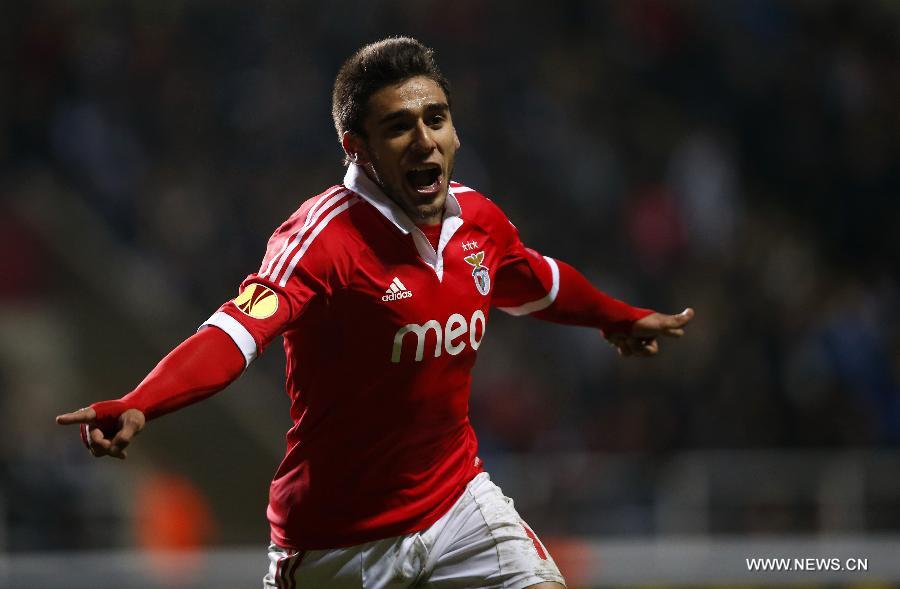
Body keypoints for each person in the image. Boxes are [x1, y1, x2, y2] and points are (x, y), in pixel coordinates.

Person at [57, 37, 694, 589]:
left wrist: (616, 316)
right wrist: (144, 399)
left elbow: (537, 280)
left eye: (436, 118)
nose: (424, 140)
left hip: (456, 504)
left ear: (455, 128)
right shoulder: (320, 240)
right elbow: (234, 332)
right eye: (398, 126)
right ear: (356, 146)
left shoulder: (477, 221)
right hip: (339, 542)